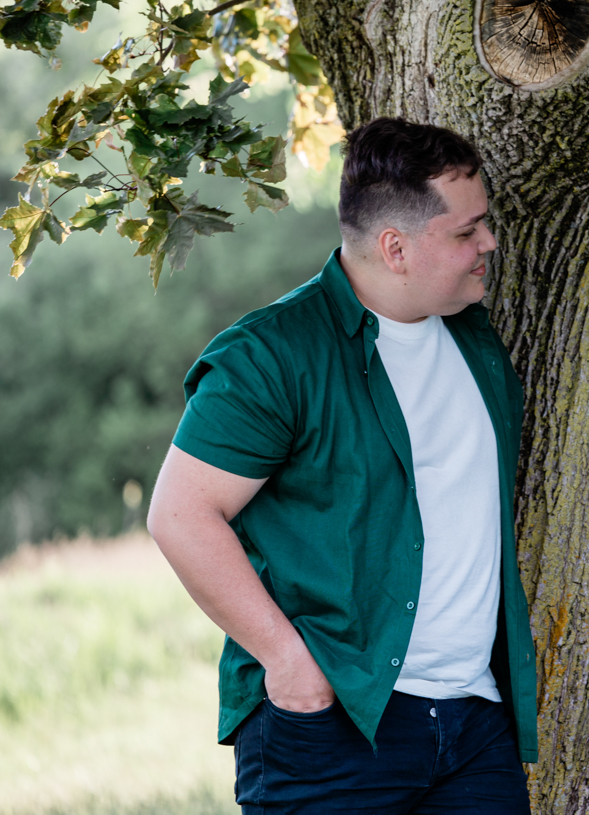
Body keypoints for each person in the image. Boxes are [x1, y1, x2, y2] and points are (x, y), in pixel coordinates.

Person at [147, 117, 537, 813]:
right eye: (466, 231)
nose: (490, 244)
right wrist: (288, 661)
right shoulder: (273, 353)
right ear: (395, 247)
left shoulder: (477, 344)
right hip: (332, 724)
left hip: (476, 726)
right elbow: (180, 513)